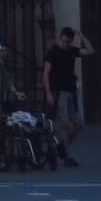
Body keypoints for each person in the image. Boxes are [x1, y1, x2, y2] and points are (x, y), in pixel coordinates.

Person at [43, 27, 91, 165]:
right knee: (64, 123)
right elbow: (46, 73)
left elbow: (89, 51)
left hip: (72, 89)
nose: (65, 44)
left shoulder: (72, 50)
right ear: (60, 38)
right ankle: (67, 154)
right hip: (60, 90)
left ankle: (63, 146)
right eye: (64, 41)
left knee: (80, 123)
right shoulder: (53, 52)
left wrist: (81, 35)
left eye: (68, 41)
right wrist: (49, 93)